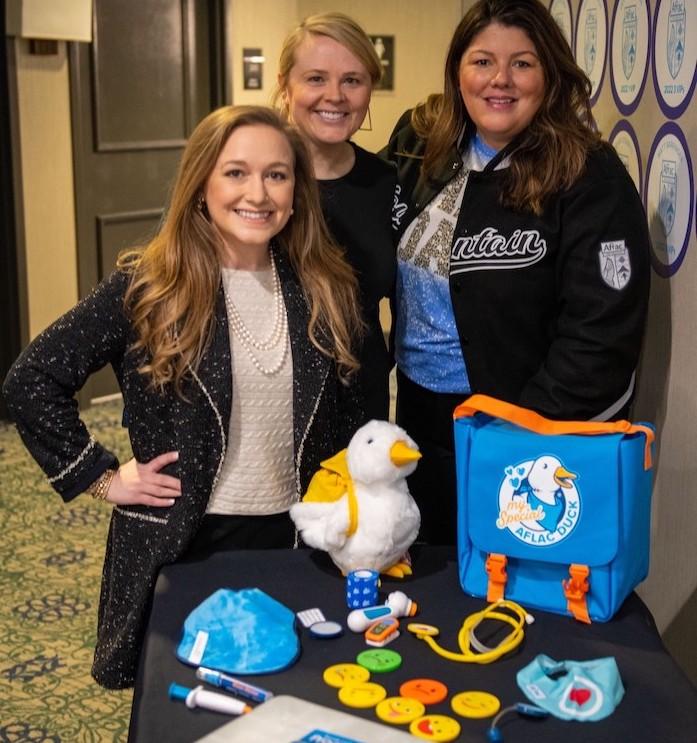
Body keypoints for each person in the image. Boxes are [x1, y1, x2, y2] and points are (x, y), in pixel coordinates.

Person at [3, 105, 365, 689]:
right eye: (236, 173)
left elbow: (345, 419)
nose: (259, 192)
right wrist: (100, 477)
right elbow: (31, 381)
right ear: (201, 185)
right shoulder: (151, 287)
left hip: (295, 539)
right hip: (185, 542)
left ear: (297, 192)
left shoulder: (323, 285)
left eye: (277, 174)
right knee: (193, 704)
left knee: (290, 691)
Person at [383, 0, 650, 545]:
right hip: (415, 419)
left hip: (523, 434)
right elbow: (357, 220)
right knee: (425, 575)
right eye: (482, 61)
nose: (499, 80)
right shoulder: (420, 143)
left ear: (548, 76)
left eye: (522, 64)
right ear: (457, 72)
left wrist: (518, 436)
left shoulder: (587, 173)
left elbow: (601, 333)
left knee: (504, 586)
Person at [275, 12, 396, 421]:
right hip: (271, 410)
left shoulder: (388, 183)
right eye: (316, 79)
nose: (335, 95)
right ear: (285, 86)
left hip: (362, 406)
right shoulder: (250, 181)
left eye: (352, 80)